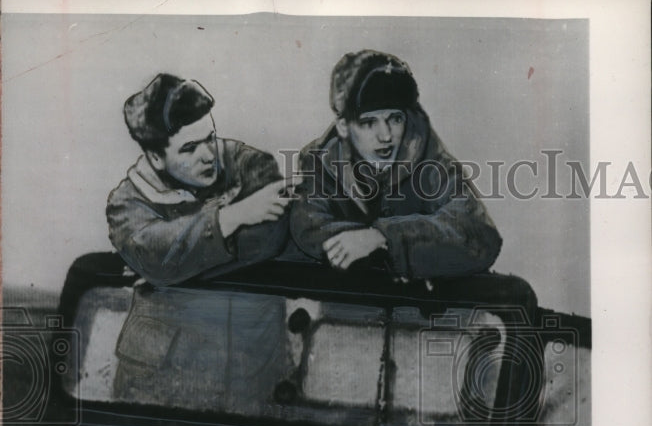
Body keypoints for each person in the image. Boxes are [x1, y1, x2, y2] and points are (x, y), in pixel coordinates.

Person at [290, 50, 502, 278]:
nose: (386, 136)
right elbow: (307, 226)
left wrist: (383, 237)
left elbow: (479, 233)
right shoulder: (319, 159)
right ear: (343, 126)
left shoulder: (427, 154)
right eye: (369, 122)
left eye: (395, 119)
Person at [107, 73, 291, 287]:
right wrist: (232, 217)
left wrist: (176, 270)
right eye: (190, 148)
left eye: (209, 138)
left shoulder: (246, 162)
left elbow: (269, 239)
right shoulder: (125, 205)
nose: (209, 156)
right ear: (156, 157)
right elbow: (150, 253)